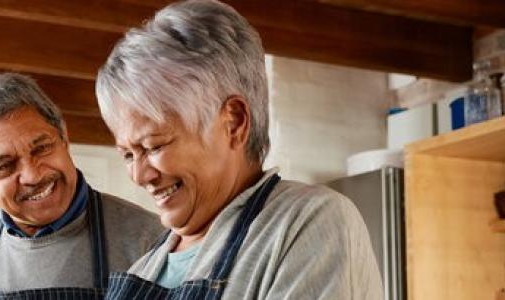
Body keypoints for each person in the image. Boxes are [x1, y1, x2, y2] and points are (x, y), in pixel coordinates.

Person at [94, 0, 383, 299]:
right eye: (128, 154)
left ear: (234, 122)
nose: (140, 175)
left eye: (154, 146)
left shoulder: (306, 222)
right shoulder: (145, 266)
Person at [0, 73, 165, 300]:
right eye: (6, 166)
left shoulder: (149, 238)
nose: (33, 176)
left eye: (42, 148)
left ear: (64, 138)